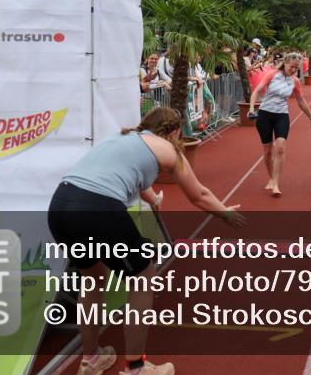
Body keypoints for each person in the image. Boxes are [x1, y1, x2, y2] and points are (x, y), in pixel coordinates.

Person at [48, 107, 246, 375]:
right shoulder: (166, 148)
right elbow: (198, 194)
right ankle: (136, 367)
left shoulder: (122, 138)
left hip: (61, 205)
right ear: (174, 132)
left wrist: (154, 200)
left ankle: (91, 359)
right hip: (97, 208)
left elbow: (138, 183)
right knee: (143, 275)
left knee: (92, 280)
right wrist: (226, 214)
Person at [248, 52, 311, 197]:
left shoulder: (295, 81)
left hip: (282, 115)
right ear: (285, 63)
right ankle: (271, 178)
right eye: (292, 67)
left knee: (280, 148)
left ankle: (275, 183)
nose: (294, 70)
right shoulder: (273, 74)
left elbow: (300, 101)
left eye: (296, 68)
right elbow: (256, 91)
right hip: (265, 114)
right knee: (267, 151)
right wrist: (251, 108)